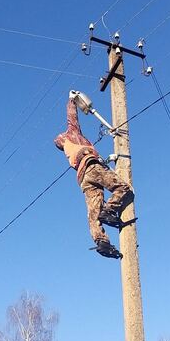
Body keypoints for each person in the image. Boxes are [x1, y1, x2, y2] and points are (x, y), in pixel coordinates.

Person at [54, 92, 134, 259]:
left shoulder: (68, 151)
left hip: (83, 178)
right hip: (91, 167)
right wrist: (71, 99)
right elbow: (72, 118)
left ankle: (101, 240)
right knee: (123, 188)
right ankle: (109, 209)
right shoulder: (72, 136)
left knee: (93, 210)